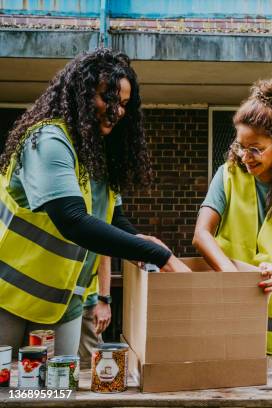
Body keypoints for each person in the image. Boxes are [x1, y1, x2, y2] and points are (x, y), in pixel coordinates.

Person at [0, 48, 191, 358]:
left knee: (60, 393)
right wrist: (159, 254)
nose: (116, 111)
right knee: (9, 393)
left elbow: (111, 215)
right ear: (81, 93)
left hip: (64, 302)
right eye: (108, 98)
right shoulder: (48, 140)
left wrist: (137, 240)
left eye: (124, 104)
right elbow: (72, 219)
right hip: (7, 296)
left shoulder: (95, 154)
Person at [193, 78, 272, 356]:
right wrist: (233, 278)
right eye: (240, 146)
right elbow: (201, 235)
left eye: (256, 149)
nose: (246, 156)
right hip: (227, 311)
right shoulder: (227, 175)